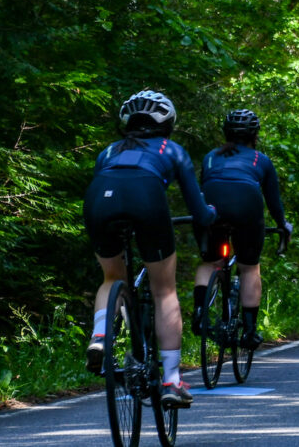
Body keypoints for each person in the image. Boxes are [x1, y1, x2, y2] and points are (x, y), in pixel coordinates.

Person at [82, 90, 216, 410]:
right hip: (146, 201)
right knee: (164, 291)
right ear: (168, 123)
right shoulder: (172, 150)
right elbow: (199, 212)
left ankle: (100, 337)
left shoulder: (109, 150)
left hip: (99, 200)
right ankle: (171, 380)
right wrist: (212, 214)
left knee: (112, 278)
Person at [192, 109, 293, 350]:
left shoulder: (210, 157)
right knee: (249, 267)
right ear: (255, 135)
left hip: (211, 205)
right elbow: (273, 202)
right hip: (247, 205)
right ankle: (249, 331)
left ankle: (199, 315)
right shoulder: (261, 160)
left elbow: (202, 186)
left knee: (210, 262)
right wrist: (282, 225)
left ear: (225, 133)